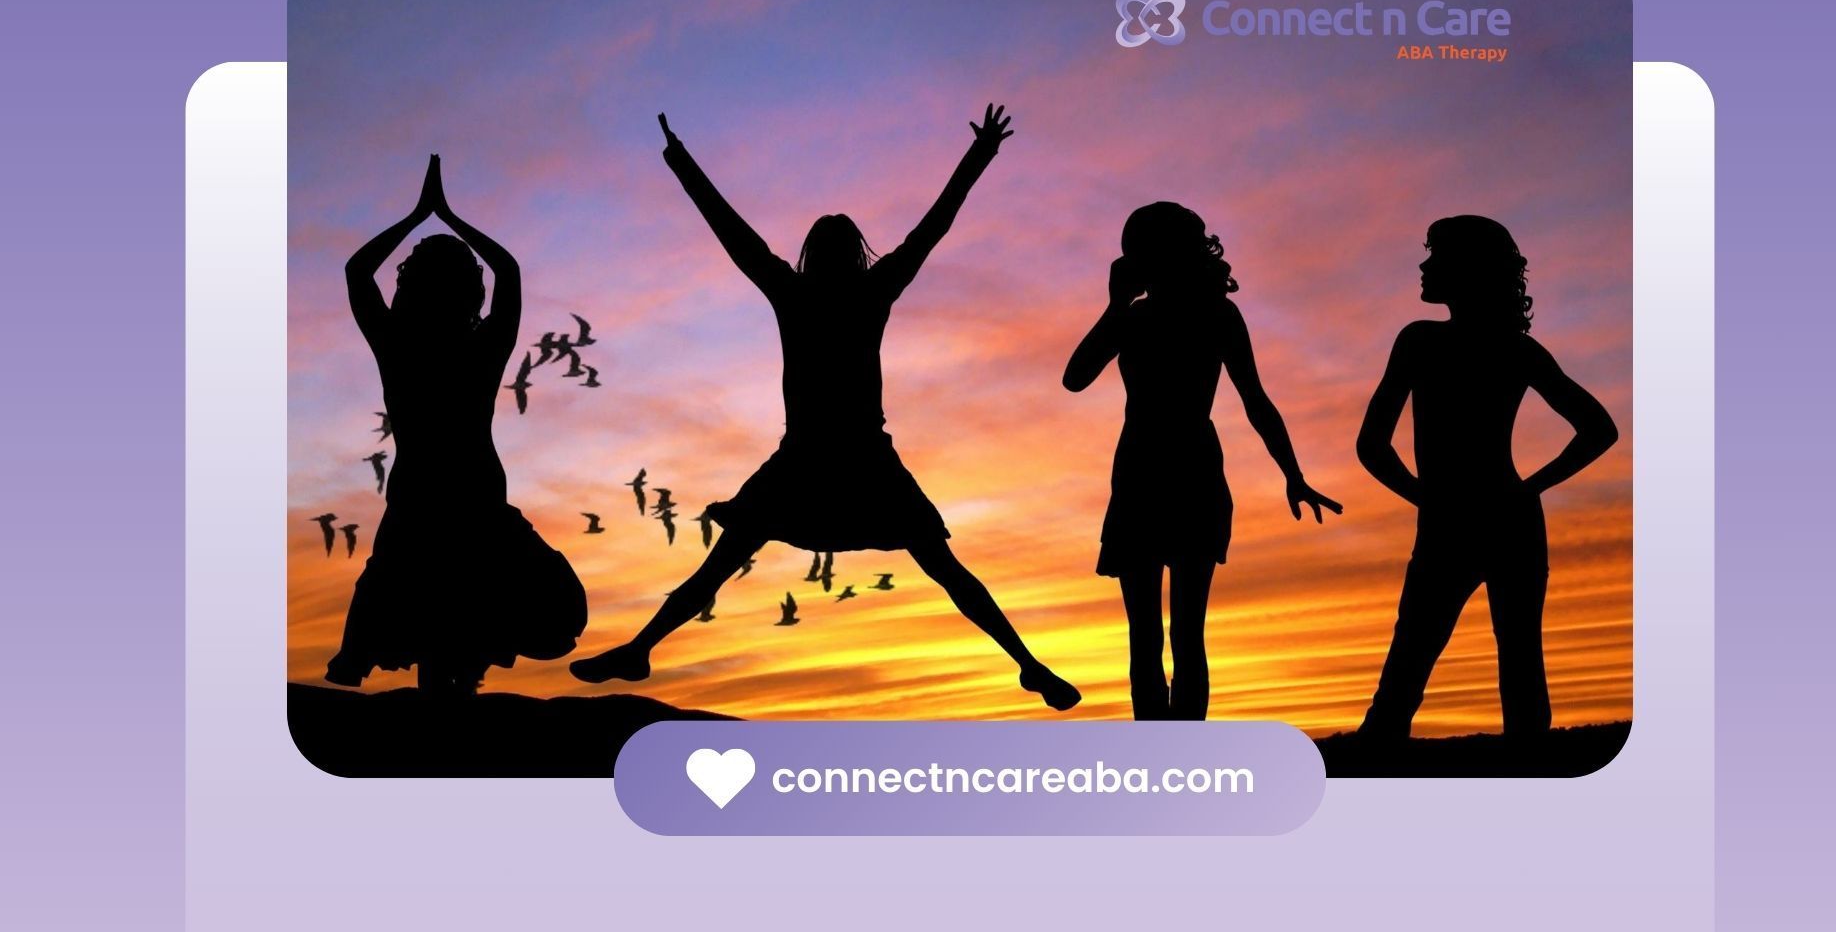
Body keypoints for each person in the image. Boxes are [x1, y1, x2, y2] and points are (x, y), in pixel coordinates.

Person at [571, 106, 1080, 711]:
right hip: (845, 456)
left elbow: (733, 231)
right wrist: (979, 156)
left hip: (823, 457)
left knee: (727, 562)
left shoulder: (798, 291)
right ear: (854, 253)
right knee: (941, 567)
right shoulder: (868, 289)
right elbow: (931, 227)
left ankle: (641, 647)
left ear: (814, 254)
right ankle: (1027, 663)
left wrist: (679, 159)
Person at [1063, 202, 1342, 720]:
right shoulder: (1143, 317)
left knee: (1169, 635)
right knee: (1161, 635)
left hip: (1176, 472)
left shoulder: (1209, 315)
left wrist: (1294, 473)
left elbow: (1255, 399)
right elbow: (1074, 377)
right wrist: (1115, 307)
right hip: (1154, 475)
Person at [325, 156, 587, 696]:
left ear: (410, 286)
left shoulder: (398, 346)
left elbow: (357, 272)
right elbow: (509, 272)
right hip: (466, 501)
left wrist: (420, 216)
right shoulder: (478, 347)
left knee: (438, 631)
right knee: (457, 634)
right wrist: (447, 216)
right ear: (472, 291)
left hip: (436, 501)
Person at [1355, 215, 1617, 739]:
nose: (1425, 266)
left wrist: (1428, 498)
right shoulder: (1510, 349)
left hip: (1467, 521)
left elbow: (1372, 447)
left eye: (1436, 257)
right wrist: (1525, 491)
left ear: (1468, 269)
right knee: (1507, 665)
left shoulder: (1423, 342)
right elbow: (1598, 429)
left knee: (1413, 670)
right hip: (1503, 517)